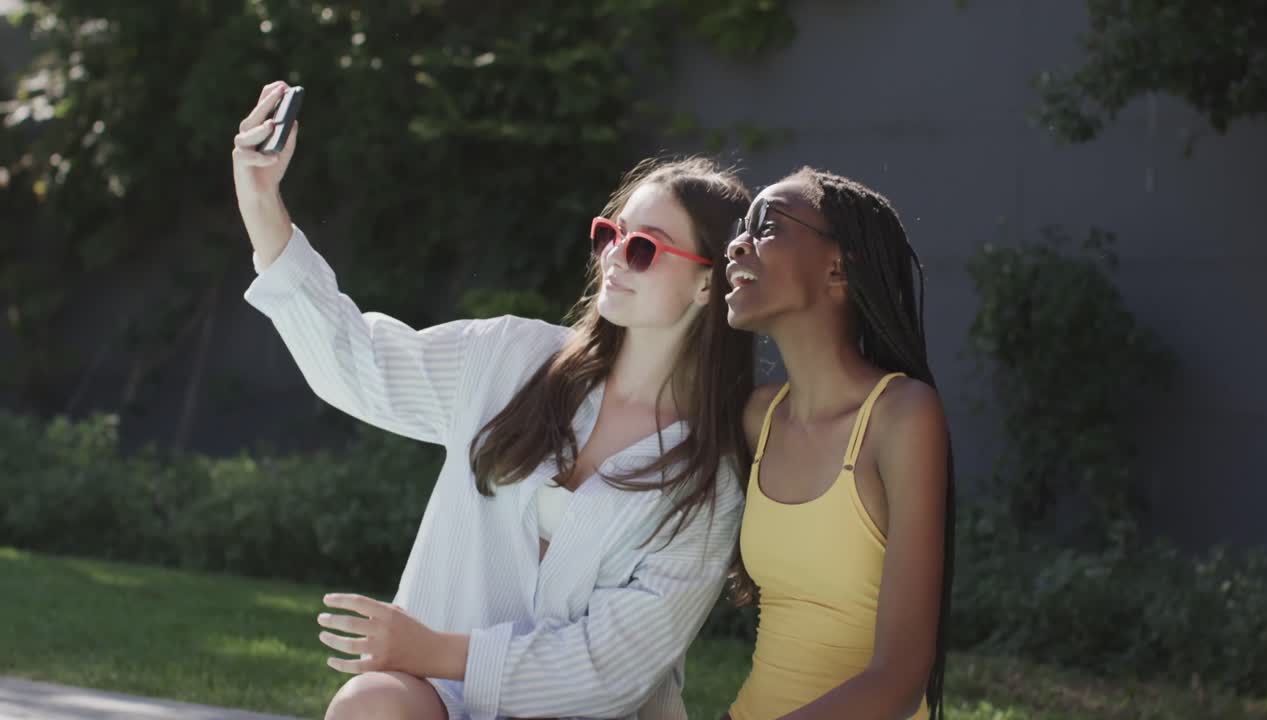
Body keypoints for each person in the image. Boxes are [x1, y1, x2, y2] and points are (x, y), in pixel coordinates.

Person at [231, 80, 755, 720]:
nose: (616, 256)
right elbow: (357, 362)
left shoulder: (707, 478)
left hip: (583, 714)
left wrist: (434, 650)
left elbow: (608, 670)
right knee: (368, 704)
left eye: (644, 247)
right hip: (441, 696)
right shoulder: (511, 357)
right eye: (609, 235)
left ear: (709, 285)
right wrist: (262, 203)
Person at [722, 167, 954, 720]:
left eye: (767, 227)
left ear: (838, 268)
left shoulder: (902, 417)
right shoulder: (757, 417)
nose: (737, 244)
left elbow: (897, 680)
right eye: (740, 226)